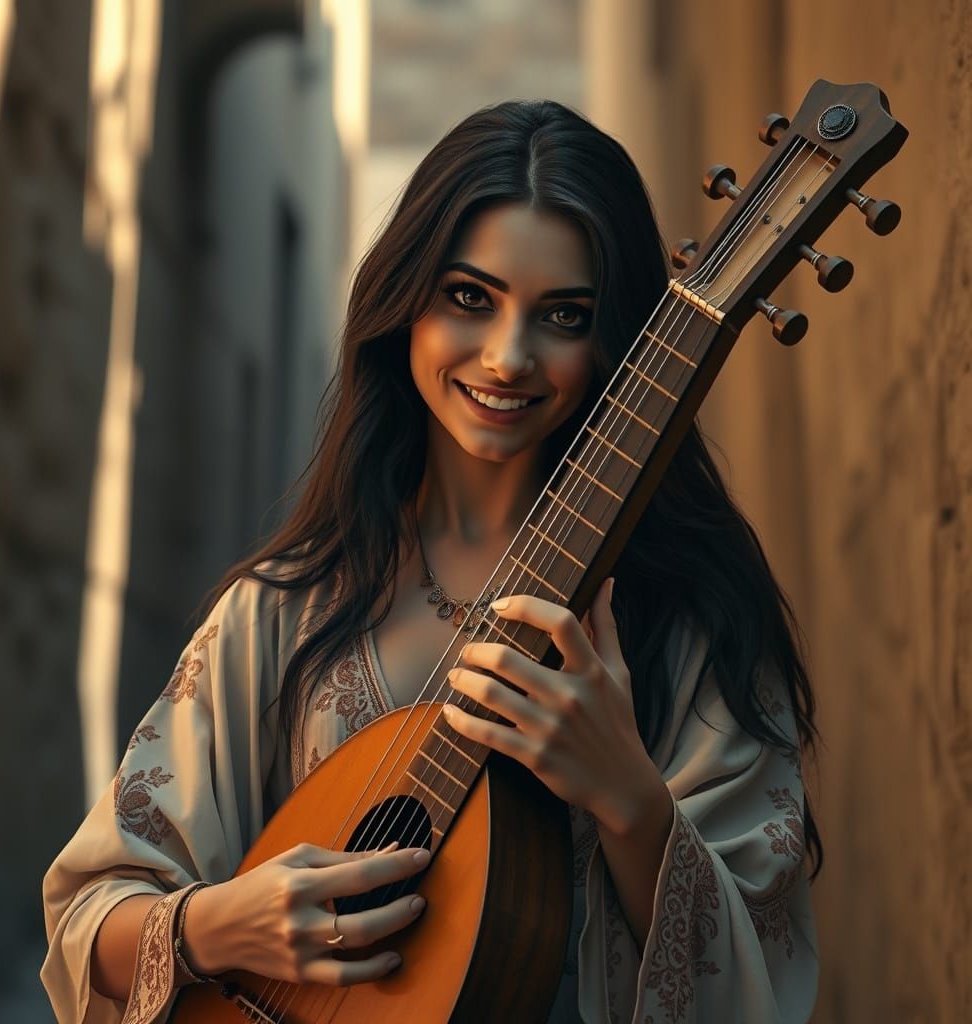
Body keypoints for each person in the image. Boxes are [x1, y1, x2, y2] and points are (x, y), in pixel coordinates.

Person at [41, 98, 820, 1024]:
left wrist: (629, 799)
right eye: (468, 297)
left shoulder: (694, 623)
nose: (507, 356)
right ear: (402, 303)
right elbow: (90, 913)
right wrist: (217, 925)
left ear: (619, 340)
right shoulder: (279, 615)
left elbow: (760, 979)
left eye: (564, 315)